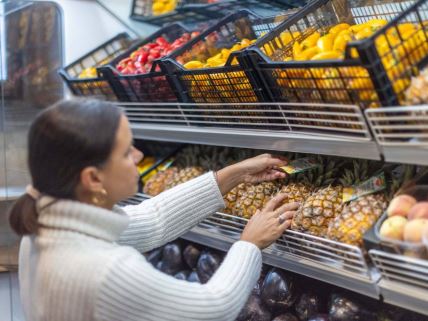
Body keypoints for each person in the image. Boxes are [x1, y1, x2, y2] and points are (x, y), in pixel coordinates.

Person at [8, 98, 299, 321]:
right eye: (126, 152)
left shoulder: (46, 225)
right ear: (93, 179)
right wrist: (249, 244)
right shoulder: (107, 271)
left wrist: (231, 175)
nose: (140, 155)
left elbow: (151, 220)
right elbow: (213, 308)